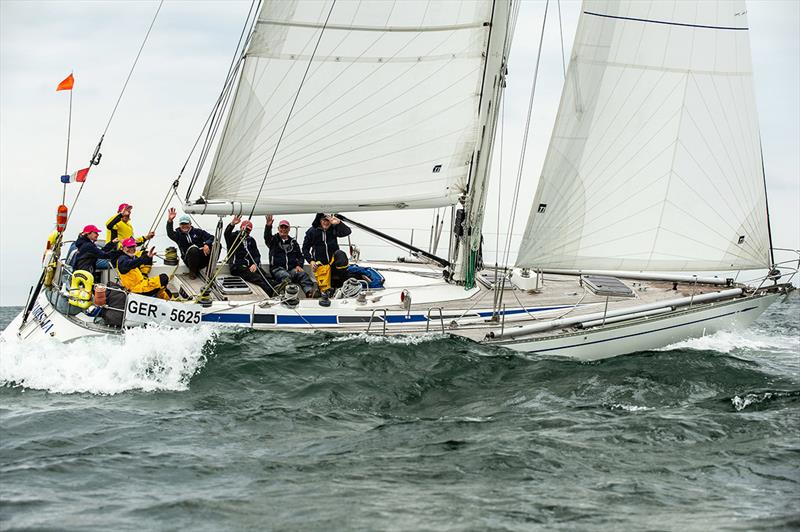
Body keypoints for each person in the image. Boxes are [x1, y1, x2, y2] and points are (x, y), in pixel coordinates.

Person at [264, 215, 315, 297]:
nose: (283, 229)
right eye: (281, 227)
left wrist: (299, 265)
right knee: (286, 277)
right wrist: (268, 226)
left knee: (303, 275)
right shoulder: (273, 240)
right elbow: (267, 237)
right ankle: (289, 296)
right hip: (277, 269)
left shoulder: (293, 242)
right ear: (278, 228)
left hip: (292, 269)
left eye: (285, 227)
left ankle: (310, 293)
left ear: (289, 229)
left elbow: (300, 256)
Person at [302, 213, 351, 293]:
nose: (326, 223)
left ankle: (342, 282)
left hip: (332, 264)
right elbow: (305, 249)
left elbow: (347, 232)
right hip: (320, 266)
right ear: (320, 221)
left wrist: (339, 223)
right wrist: (311, 261)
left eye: (328, 221)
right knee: (325, 291)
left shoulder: (333, 228)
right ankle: (326, 289)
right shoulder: (312, 231)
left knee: (340, 254)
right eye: (324, 220)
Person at [224, 215, 273, 294]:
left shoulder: (251, 240)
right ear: (241, 227)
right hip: (238, 266)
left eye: (248, 230)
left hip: (249, 266)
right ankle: (269, 291)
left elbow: (257, 255)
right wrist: (232, 224)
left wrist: (255, 264)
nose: (246, 231)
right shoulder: (233, 237)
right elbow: (227, 233)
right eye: (245, 229)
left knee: (265, 275)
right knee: (257, 277)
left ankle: (276, 286)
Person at [165, 208, 215, 279]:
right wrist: (170, 220)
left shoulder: (198, 232)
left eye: (186, 223)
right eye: (182, 224)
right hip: (189, 260)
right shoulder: (178, 235)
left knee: (217, 245)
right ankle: (193, 272)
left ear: (190, 224)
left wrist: (207, 244)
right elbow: (170, 233)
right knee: (193, 249)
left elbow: (211, 237)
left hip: (202, 258)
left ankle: (210, 270)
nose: (184, 225)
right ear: (179, 225)